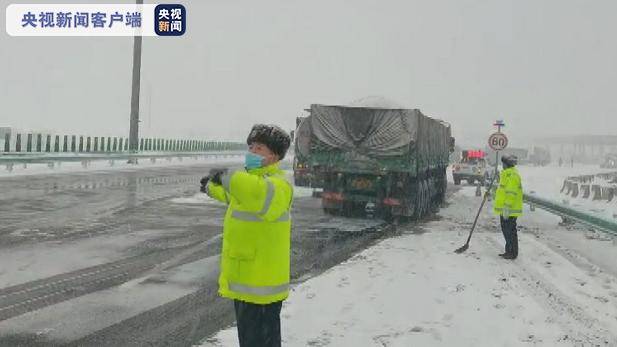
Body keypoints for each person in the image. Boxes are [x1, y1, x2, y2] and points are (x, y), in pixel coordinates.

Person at [200, 124, 292, 347]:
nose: (251, 152)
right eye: (250, 146)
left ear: (275, 155)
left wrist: (227, 177)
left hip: (262, 286)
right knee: (249, 341)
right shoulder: (249, 183)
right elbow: (235, 196)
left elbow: (257, 193)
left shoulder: (279, 185)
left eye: (258, 148)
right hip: (247, 281)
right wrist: (211, 188)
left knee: (261, 342)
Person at [493, 155, 523, 259]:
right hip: (507, 209)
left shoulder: (512, 176)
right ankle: (509, 251)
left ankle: (512, 252)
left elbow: (511, 193)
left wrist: (506, 206)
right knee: (507, 230)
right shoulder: (507, 174)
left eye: (504, 164)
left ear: (507, 164)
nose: (503, 166)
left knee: (509, 231)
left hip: (509, 210)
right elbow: (502, 192)